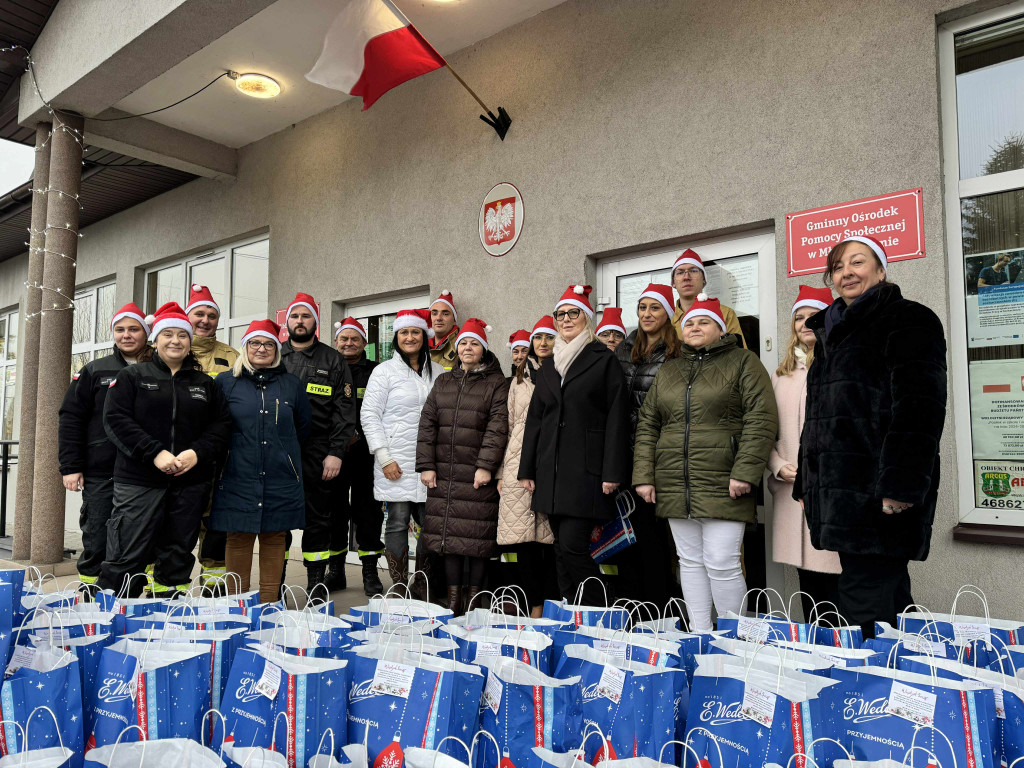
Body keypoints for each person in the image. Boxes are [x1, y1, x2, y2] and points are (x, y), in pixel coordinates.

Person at [795, 236, 947, 637]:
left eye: (858, 262)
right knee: (890, 599)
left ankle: (867, 693)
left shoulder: (908, 319)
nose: (847, 272)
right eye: (838, 266)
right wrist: (808, 480)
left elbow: (920, 409)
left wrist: (900, 485)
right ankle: (913, 683)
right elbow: (822, 418)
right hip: (842, 493)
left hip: (880, 493)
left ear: (881, 270)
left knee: (862, 602)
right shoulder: (833, 331)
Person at [634, 297, 777, 633]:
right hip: (674, 482)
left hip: (724, 480)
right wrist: (644, 476)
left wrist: (745, 472)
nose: (695, 328)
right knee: (690, 562)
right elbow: (648, 425)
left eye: (704, 322)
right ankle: (700, 634)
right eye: (689, 324)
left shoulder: (743, 362)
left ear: (721, 328)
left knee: (723, 563)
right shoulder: (670, 369)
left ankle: (738, 639)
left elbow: (761, 419)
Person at [98, 302, 232, 597]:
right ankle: (115, 612)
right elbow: (117, 421)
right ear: (155, 340)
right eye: (167, 334)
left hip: (190, 481)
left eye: (182, 335)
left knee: (177, 550)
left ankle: (168, 609)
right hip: (138, 480)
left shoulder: (205, 384)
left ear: (189, 341)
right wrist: (155, 453)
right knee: (127, 550)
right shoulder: (132, 377)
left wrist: (196, 453)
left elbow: (221, 426)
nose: (175, 341)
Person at [519, 285, 630, 605]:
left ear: (587, 319)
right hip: (551, 470)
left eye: (573, 313)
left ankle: (602, 608)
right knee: (559, 548)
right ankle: (572, 609)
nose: (566, 320)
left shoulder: (603, 360)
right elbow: (535, 420)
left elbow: (617, 419)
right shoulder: (549, 365)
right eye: (561, 315)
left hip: (586, 471)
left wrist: (612, 471)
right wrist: (527, 468)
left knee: (572, 546)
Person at [211, 320, 310, 602]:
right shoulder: (226, 382)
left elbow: (303, 426)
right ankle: (237, 604)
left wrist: (283, 452)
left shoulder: (291, 384)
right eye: (255, 343)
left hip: (280, 473)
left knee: (274, 537)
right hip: (237, 473)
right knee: (238, 537)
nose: (262, 348)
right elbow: (216, 427)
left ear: (277, 350)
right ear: (245, 347)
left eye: (269, 344)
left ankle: (268, 605)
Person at [417, 318, 509, 615]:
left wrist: (486, 466)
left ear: (483, 349)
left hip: (475, 474)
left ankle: (475, 601)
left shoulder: (496, 383)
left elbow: (498, 427)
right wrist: (426, 465)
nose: (468, 348)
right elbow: (427, 424)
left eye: (474, 343)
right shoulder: (444, 381)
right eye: (464, 343)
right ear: (457, 349)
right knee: (449, 539)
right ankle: (454, 602)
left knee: (478, 540)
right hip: (443, 473)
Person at [59, 303, 151, 593]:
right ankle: (90, 597)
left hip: (144, 472)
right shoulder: (94, 371)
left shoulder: (157, 370)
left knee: (139, 539)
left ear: (146, 333)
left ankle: (134, 600)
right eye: (120, 330)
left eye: (134, 329)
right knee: (97, 536)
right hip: (102, 471)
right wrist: (71, 466)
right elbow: (71, 418)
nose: (126, 335)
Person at [767, 285, 841, 621]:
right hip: (789, 492)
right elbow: (763, 431)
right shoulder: (780, 375)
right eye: (799, 316)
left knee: (836, 584)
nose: (805, 322)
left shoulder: (838, 365)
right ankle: (818, 653)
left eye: (813, 315)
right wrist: (778, 464)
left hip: (829, 492)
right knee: (808, 584)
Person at [361, 309, 444, 595]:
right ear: (396, 338)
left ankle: (421, 583)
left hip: (430, 462)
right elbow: (369, 415)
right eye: (404, 333)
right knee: (397, 522)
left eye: (415, 332)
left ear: (425, 337)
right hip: (395, 461)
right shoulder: (383, 372)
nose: (410, 337)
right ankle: (398, 585)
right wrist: (384, 457)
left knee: (429, 524)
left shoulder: (440, 373)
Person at [279, 292, 358, 592]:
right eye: (295, 316)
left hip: (319, 452)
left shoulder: (333, 360)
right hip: (279, 452)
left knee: (318, 519)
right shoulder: (274, 355)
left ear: (316, 321)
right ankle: (277, 586)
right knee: (279, 520)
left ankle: (315, 587)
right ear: (288, 321)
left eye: (306, 316)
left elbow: (344, 411)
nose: (300, 321)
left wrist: (336, 453)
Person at [613, 283, 680, 606]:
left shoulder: (676, 351)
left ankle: (657, 609)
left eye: (655, 307)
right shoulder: (624, 349)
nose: (647, 314)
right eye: (642, 307)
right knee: (626, 538)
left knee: (653, 539)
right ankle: (631, 607)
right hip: (623, 456)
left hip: (656, 458)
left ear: (668, 312)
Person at [496, 316, 558, 617]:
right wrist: (499, 472)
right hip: (516, 464)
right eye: (538, 338)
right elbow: (506, 426)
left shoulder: (561, 371)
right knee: (522, 542)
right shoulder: (518, 380)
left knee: (550, 541)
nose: (543, 344)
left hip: (549, 462)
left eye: (549, 338)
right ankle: (533, 605)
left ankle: (550, 604)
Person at [185, 284, 239, 591]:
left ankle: (213, 589)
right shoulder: (168, 350)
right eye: (199, 314)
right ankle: (165, 590)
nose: (205, 320)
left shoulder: (233, 357)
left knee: (215, 525)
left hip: (220, 457)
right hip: (178, 456)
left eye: (211, 315)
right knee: (177, 523)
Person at [332, 317, 384, 596]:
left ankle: (370, 571)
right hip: (334, 455)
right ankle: (336, 570)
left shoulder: (378, 371)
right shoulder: (328, 367)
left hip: (367, 455)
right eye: (344, 338)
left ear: (365, 343)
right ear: (336, 341)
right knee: (334, 513)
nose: (349, 343)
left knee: (369, 514)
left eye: (355, 339)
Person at [670, 248, 746, 347]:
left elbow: (740, 357)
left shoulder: (725, 314)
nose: (686, 277)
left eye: (693, 271)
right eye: (680, 272)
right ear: (673, 283)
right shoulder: (667, 319)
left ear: (704, 280)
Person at [428, 290, 460, 370]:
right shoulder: (419, 345)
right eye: (434, 314)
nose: (438, 318)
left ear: (454, 320)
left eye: (445, 314)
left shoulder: (462, 346)